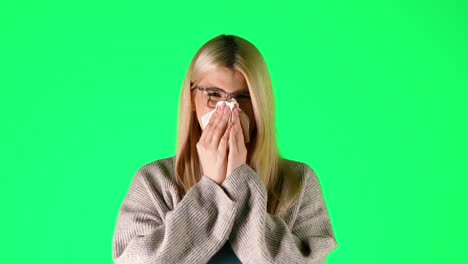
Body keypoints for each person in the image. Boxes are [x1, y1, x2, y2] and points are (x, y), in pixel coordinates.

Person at [112, 34, 338, 263]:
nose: (230, 108)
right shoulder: (154, 182)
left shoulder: (299, 181)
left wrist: (240, 180)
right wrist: (210, 189)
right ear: (192, 98)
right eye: (213, 95)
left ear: (261, 102)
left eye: (243, 96)